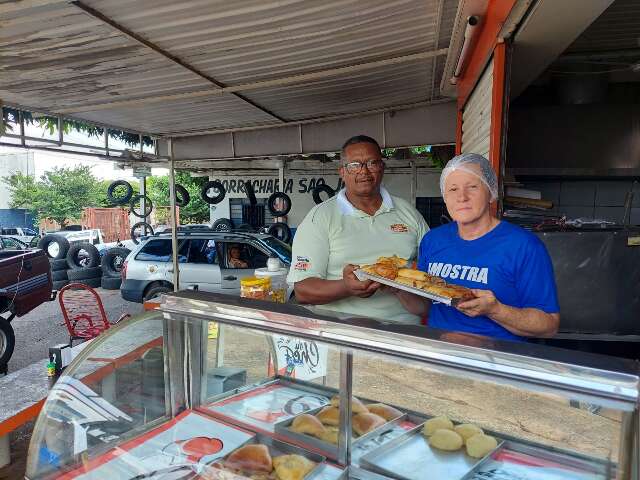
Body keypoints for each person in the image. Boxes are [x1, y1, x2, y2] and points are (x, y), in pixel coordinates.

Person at [396, 153, 560, 341]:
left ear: (490, 192)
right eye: (453, 189)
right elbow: (426, 306)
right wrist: (397, 288)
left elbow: (548, 325)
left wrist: (495, 310)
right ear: (444, 196)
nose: (462, 197)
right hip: (440, 355)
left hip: (495, 362)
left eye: (472, 187)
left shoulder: (524, 246)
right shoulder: (433, 240)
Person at [288, 135, 429, 324]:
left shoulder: (409, 213)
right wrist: (346, 287)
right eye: (354, 165)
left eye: (372, 163)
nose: (364, 171)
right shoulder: (319, 218)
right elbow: (303, 290)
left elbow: (433, 274)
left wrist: (400, 283)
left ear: (382, 167)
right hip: (343, 335)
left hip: (403, 332)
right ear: (342, 172)